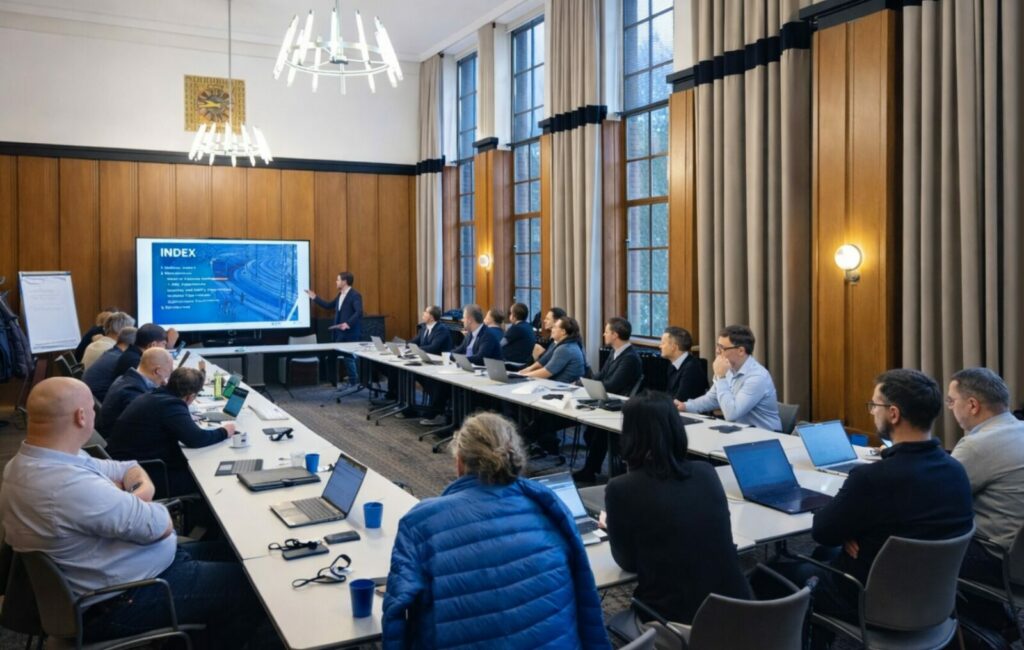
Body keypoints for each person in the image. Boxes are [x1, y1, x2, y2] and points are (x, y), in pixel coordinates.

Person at [0, 377, 274, 648]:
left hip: (129, 571)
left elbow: (124, 467)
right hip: (128, 598)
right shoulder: (68, 485)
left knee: (239, 553)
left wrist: (135, 493)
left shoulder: (28, 464)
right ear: (81, 416)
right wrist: (139, 495)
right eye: (93, 411)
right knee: (257, 586)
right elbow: (162, 524)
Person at [382, 412, 610, 649]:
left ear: (459, 462)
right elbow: (585, 597)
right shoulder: (550, 506)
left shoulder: (421, 522)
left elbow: (396, 614)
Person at [768, 369, 974, 626]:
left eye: (874, 405)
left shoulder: (872, 477)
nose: (872, 412)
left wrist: (850, 532)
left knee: (768, 574)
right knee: (826, 551)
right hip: (933, 599)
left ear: (893, 413)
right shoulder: (956, 470)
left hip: (871, 600)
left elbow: (822, 530)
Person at [604, 391, 751, 631]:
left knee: (611, 624)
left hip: (678, 623)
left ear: (630, 434)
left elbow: (628, 563)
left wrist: (614, 525)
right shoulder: (706, 472)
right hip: (738, 611)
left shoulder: (621, 488)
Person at [947, 367, 1024, 639]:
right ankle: (994, 620)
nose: (950, 408)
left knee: (923, 540)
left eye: (951, 401)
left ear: (972, 405)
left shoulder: (977, 445)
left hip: (1000, 559)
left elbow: (936, 498)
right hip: (1018, 551)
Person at [106, 367, 236, 497]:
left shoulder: (155, 395)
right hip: (147, 472)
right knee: (205, 477)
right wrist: (224, 431)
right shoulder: (171, 405)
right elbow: (196, 439)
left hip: (128, 465)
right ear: (190, 396)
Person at [574, 317, 643, 483]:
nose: (604, 334)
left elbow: (613, 385)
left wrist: (589, 385)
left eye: (606, 331)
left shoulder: (630, 358)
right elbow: (601, 375)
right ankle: (591, 468)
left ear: (615, 335)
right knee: (591, 429)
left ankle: (592, 469)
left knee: (597, 431)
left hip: (620, 405)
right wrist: (583, 383)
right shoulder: (614, 352)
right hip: (607, 400)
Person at [678, 324, 782, 431]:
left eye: (722, 348)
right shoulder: (728, 368)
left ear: (741, 351)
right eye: (717, 346)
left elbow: (732, 414)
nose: (717, 351)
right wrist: (685, 406)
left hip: (764, 436)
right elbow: (712, 399)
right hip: (741, 432)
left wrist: (721, 377)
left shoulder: (757, 377)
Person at [419, 305, 501, 427]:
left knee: (448, 386)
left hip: (487, 377)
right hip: (470, 372)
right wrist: (448, 355)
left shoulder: (487, 335)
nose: (461, 320)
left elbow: (480, 358)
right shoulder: (470, 334)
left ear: (470, 319)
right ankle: (442, 416)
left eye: (463, 317)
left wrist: (459, 360)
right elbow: (459, 350)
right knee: (438, 381)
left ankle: (454, 424)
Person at [520, 316, 588, 458]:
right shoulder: (564, 345)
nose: (551, 328)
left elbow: (546, 372)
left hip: (565, 400)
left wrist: (521, 376)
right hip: (558, 393)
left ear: (563, 332)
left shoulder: (565, 349)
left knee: (536, 418)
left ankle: (526, 443)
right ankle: (538, 443)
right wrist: (522, 373)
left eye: (555, 327)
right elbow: (543, 365)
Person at [375, 306, 453, 408]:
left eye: (425, 312)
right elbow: (414, 341)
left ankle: (409, 407)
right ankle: (396, 398)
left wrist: (415, 349)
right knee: (396, 369)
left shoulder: (441, 329)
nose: (423, 313)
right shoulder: (424, 327)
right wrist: (402, 345)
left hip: (436, 364)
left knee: (408, 373)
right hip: (423, 361)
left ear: (432, 317)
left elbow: (433, 348)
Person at [95, 347, 174, 437]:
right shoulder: (133, 392)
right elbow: (150, 425)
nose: (168, 376)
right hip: (120, 444)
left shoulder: (126, 378)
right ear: (157, 371)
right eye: (170, 371)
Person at [306, 271, 362, 390]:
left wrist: (348, 323)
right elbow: (328, 305)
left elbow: (359, 312)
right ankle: (334, 382)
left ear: (344, 281)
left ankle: (353, 382)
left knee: (348, 358)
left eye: (338, 280)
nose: (336, 282)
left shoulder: (355, 295)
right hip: (339, 334)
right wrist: (314, 297)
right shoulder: (339, 295)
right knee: (331, 356)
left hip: (349, 333)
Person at [82, 326, 136, 402]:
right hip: (98, 398)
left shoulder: (111, 352)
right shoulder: (120, 358)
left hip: (92, 396)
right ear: (132, 344)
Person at [660, 326, 708, 403]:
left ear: (673, 347)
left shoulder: (692, 368)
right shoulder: (673, 364)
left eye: (663, 343)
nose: (660, 346)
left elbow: (680, 399)